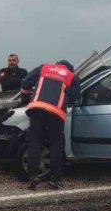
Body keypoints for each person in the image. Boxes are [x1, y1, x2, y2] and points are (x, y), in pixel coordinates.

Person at [20, 60, 81, 190]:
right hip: (56, 112)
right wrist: (66, 100)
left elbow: (26, 82)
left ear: (56, 64)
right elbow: (76, 98)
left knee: (34, 142)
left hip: (37, 109)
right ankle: (55, 179)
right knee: (56, 144)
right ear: (70, 69)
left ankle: (33, 176)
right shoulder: (72, 76)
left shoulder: (44, 68)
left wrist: (24, 96)